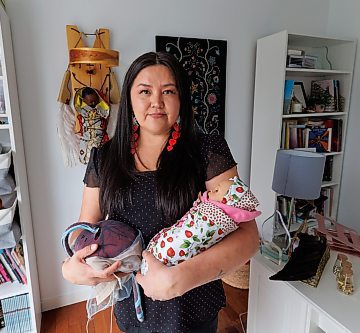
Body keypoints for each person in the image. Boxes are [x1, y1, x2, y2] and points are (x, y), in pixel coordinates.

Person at [62, 51, 259, 333]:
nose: (156, 101)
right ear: (130, 97)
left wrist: (181, 278)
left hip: (194, 304)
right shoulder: (103, 158)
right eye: (145, 91)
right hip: (133, 307)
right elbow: (84, 231)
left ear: (181, 99)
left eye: (168, 91)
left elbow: (249, 238)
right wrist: (70, 266)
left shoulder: (207, 151)